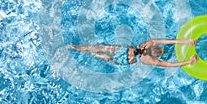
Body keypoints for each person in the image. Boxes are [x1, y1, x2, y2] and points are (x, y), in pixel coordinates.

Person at [67, 39, 198, 67]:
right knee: (106, 58)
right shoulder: (147, 60)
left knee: (97, 47)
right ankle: (98, 56)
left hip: (122, 49)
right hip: (124, 60)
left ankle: (73, 47)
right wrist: (189, 61)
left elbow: (168, 41)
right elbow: (170, 64)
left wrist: (187, 41)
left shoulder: (148, 43)